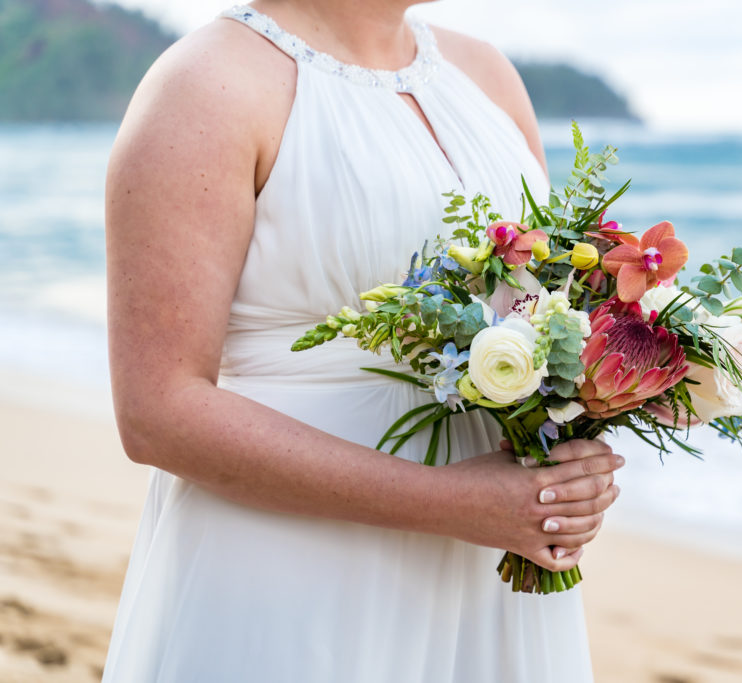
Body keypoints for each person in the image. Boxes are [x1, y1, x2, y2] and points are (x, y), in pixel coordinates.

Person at [102, 1, 623, 680]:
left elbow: (546, 309)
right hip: (292, 576)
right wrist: (450, 503)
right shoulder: (207, 86)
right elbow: (157, 411)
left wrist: (574, 457)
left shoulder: (486, 77)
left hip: (486, 576)